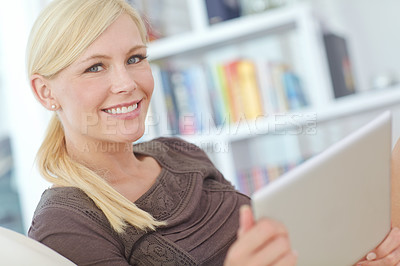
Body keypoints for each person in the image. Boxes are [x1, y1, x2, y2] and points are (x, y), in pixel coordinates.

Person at [26, 0, 400, 265]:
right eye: (95, 67)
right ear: (46, 91)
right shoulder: (62, 224)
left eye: (135, 59)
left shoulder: (178, 153)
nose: (126, 83)